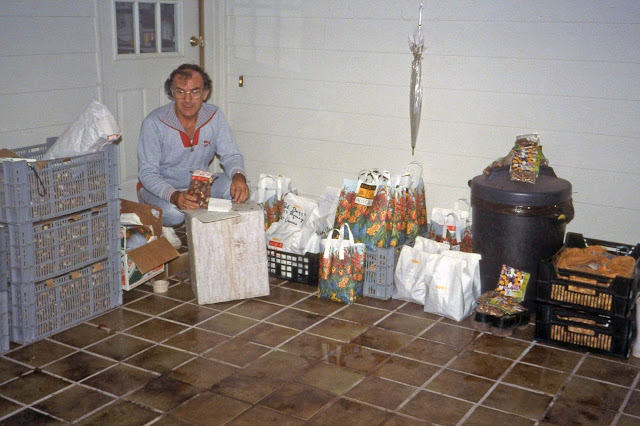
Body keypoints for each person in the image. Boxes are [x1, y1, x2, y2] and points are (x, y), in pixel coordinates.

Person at [137, 63, 249, 226]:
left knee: (234, 188)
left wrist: (239, 176)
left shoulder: (214, 116)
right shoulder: (154, 123)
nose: (187, 99)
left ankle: (215, 229)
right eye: (180, 92)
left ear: (205, 94)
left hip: (200, 185)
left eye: (195, 92)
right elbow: (147, 173)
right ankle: (157, 219)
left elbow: (230, 154)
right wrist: (174, 196)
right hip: (160, 189)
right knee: (174, 214)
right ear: (172, 93)